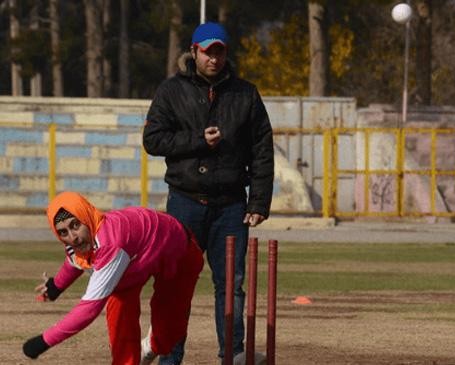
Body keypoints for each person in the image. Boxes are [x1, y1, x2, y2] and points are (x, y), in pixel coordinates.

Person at [142, 21, 274, 364]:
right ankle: (170, 357)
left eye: (219, 51)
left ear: (226, 53)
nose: (213, 58)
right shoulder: (172, 90)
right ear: (194, 52)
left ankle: (231, 355)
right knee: (174, 285)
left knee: (231, 286)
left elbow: (262, 150)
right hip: (184, 203)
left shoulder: (246, 93)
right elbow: (152, 140)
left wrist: (259, 201)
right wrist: (198, 140)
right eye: (207, 51)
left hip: (231, 204)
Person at [21, 191, 204, 365]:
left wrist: (43, 341)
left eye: (75, 225)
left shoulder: (110, 245)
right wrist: (56, 287)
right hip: (134, 259)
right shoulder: (80, 239)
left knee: (166, 337)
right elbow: (75, 261)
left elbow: (89, 310)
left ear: (85, 216)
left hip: (178, 253)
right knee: (120, 321)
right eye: (63, 232)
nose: (72, 237)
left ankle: (149, 347)